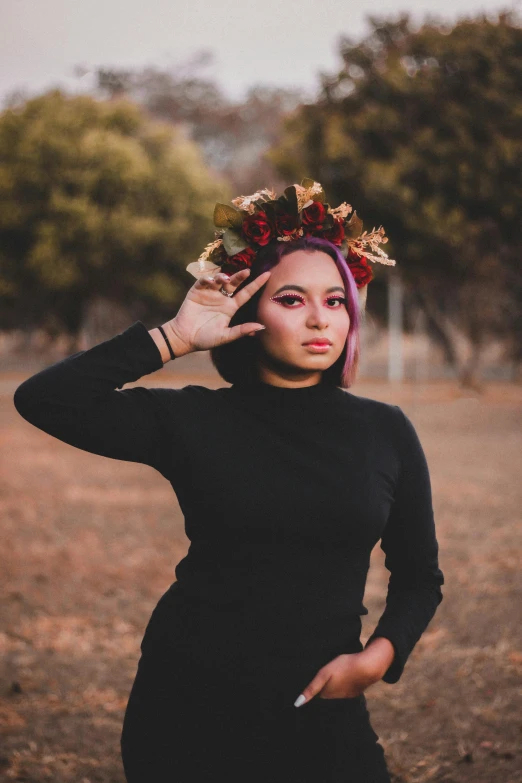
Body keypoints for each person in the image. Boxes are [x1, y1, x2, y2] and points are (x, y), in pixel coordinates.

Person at [13, 180, 445, 783]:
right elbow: (45, 400)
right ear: (249, 309)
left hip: (324, 706)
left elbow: (420, 576)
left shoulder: (385, 430)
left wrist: (377, 659)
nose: (320, 318)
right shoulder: (192, 418)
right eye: (292, 299)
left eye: (336, 300)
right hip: (190, 701)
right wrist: (174, 337)